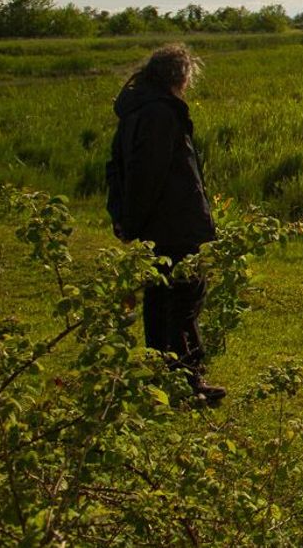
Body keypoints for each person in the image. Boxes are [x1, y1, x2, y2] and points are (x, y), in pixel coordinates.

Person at [106, 43, 225, 403]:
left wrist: (125, 219)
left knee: (161, 300)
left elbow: (117, 171)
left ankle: (160, 379)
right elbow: (147, 177)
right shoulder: (159, 113)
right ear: (182, 77)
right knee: (184, 302)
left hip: (159, 226)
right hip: (174, 226)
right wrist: (132, 222)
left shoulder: (138, 109)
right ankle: (187, 385)